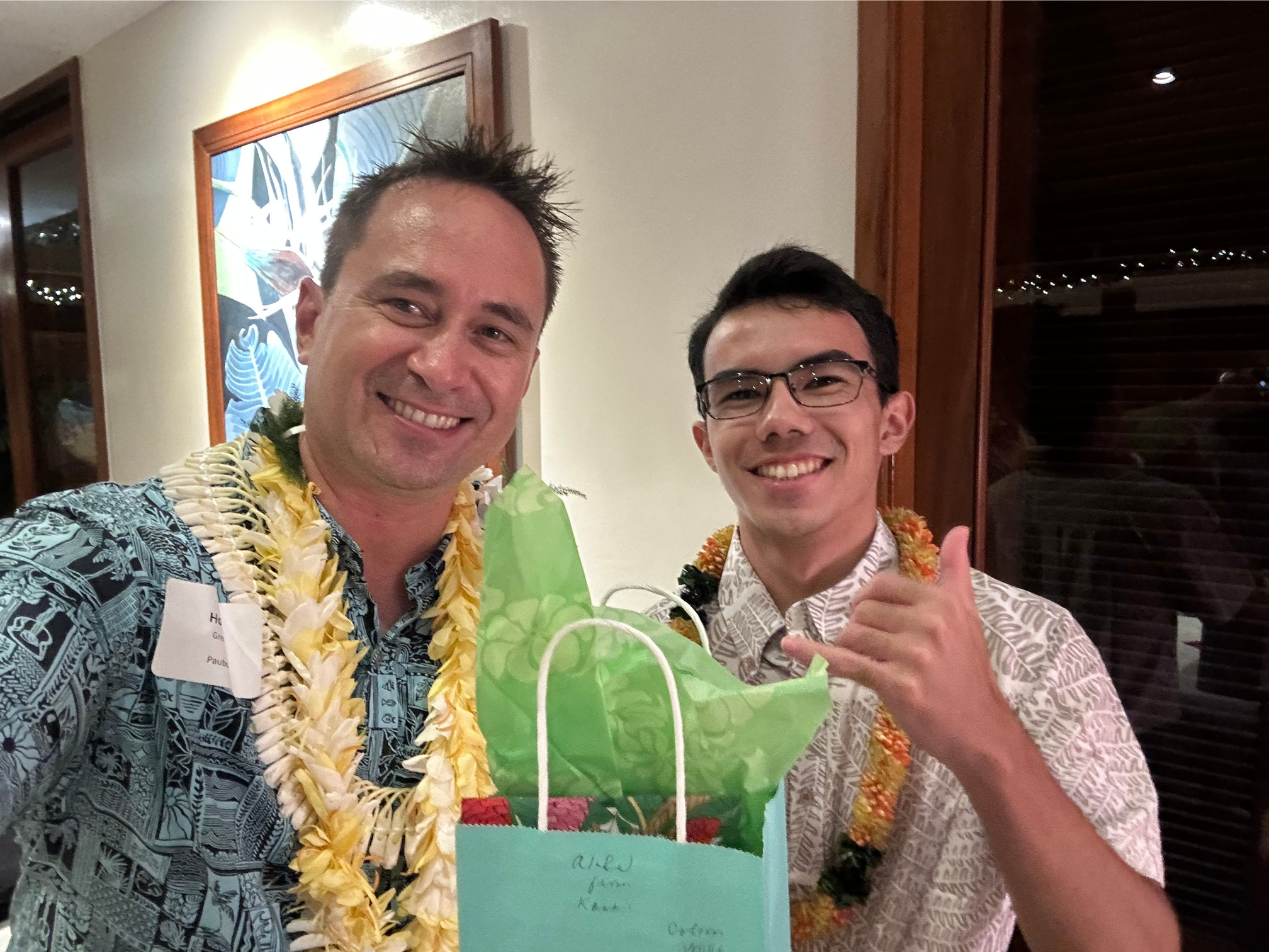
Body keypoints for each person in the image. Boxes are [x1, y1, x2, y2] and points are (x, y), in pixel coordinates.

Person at [0, 134, 573, 952]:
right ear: (309, 319)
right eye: (407, 305)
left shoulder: (538, 616)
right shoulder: (107, 567)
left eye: (494, 333)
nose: (443, 367)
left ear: (524, 370)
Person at [660, 245, 1179, 952]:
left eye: (823, 380)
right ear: (705, 440)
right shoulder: (650, 655)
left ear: (892, 423)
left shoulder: (1029, 644)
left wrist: (985, 737)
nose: (779, 416)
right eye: (741, 391)